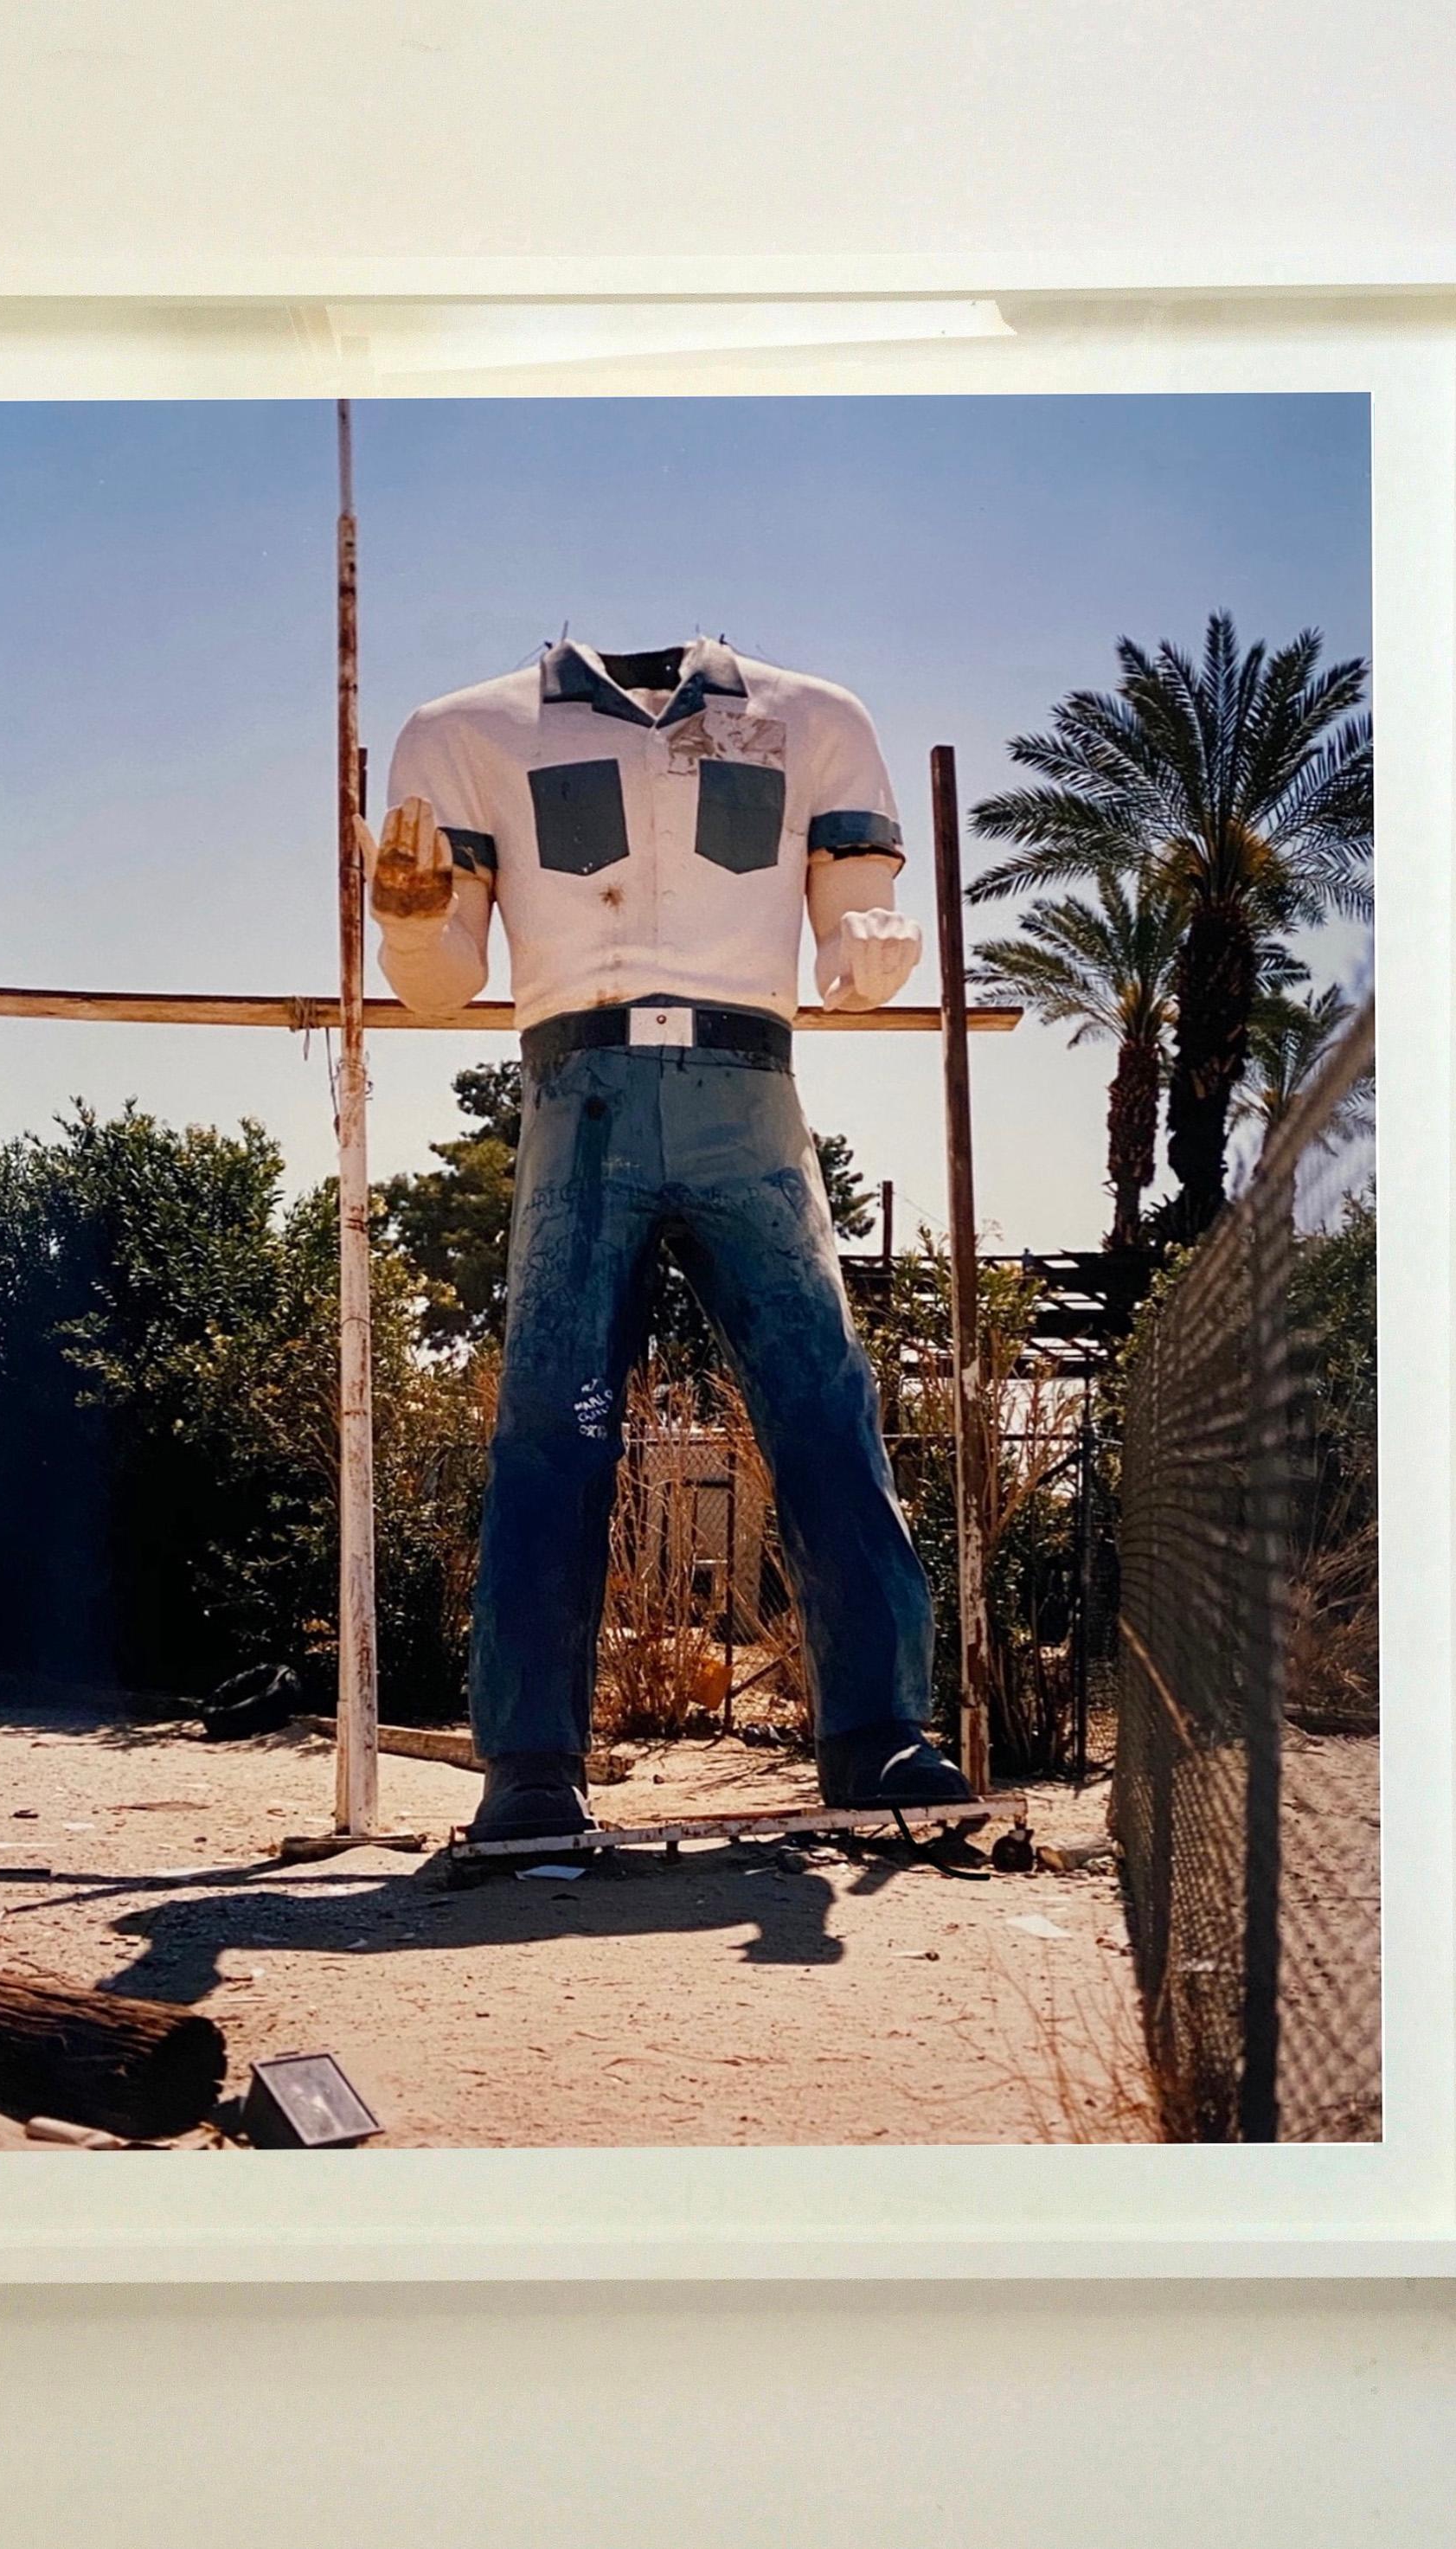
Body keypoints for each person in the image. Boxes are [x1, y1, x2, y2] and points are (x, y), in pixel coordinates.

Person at [366, 636, 975, 1840]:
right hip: (576, 1087)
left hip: (746, 1085)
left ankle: (879, 1729)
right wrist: (409, 922)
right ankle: (531, 1758)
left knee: (818, 1399)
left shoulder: (817, 718)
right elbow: (441, 982)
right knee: (556, 1418)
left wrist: (868, 957)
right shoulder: (464, 733)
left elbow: (856, 936)